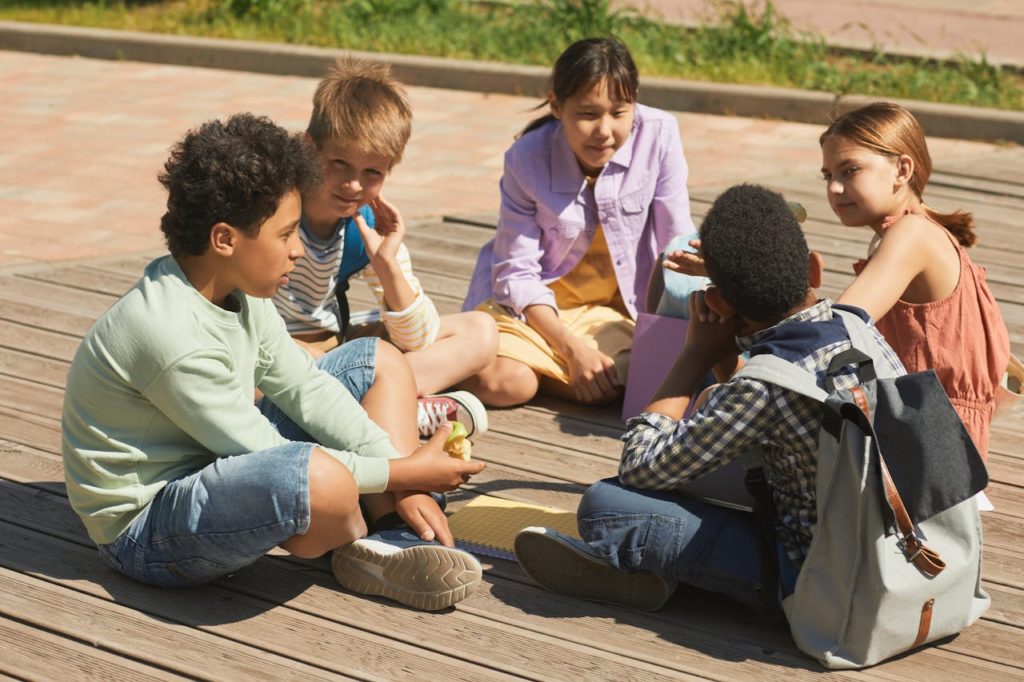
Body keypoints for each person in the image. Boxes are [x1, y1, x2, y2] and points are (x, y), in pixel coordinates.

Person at [61, 114, 486, 612]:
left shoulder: (235, 288)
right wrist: (398, 472)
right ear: (225, 239)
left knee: (382, 361)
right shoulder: (169, 333)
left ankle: (391, 531)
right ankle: (365, 537)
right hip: (148, 530)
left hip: (218, 465)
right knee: (318, 479)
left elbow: (306, 386)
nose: (299, 249)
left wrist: (405, 474)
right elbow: (262, 449)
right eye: (286, 234)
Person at [512, 184, 906, 612]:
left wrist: (694, 355)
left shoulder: (761, 388)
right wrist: (726, 353)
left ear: (717, 299)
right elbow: (751, 413)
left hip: (824, 586)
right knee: (715, 456)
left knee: (606, 504)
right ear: (814, 270)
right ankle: (651, 572)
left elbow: (638, 469)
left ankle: (660, 572)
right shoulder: (858, 327)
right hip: (905, 553)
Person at [461, 36, 698, 407]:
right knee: (507, 384)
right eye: (588, 114)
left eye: (619, 113)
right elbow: (516, 274)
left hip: (616, 312)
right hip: (540, 310)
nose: (604, 131)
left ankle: (559, 375)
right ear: (556, 104)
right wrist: (572, 351)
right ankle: (562, 372)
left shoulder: (660, 133)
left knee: (639, 374)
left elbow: (677, 242)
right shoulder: (526, 157)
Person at [273, 57, 496, 437]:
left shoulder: (366, 227)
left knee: (482, 330)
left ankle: (372, 406)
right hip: (277, 351)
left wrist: (387, 264)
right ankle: (393, 411)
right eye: (339, 163)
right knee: (282, 364)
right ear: (309, 148)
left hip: (333, 348)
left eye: (371, 173)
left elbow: (418, 339)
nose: (354, 185)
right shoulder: (276, 207)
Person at [820, 102, 1010, 460]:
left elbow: (841, 328)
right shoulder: (913, 232)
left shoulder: (912, 235)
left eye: (850, 170)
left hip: (931, 446)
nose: (834, 188)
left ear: (902, 169)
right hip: (925, 434)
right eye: (827, 175)